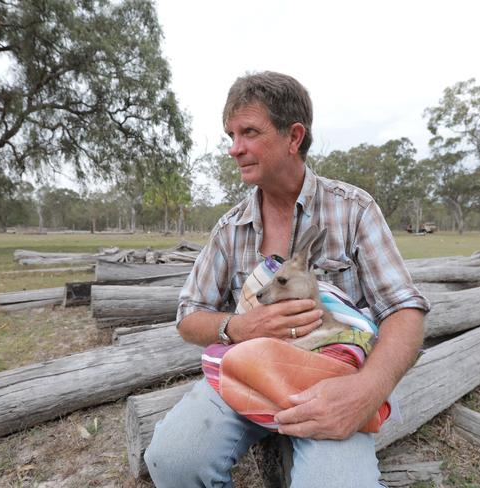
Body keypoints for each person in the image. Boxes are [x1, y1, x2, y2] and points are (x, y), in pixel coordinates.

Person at [145, 71, 430, 488]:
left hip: (329, 381)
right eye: (231, 134)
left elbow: (405, 310)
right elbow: (189, 315)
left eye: (249, 132)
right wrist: (236, 326)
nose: (234, 148)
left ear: (293, 136)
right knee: (173, 461)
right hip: (248, 370)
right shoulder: (230, 228)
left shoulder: (353, 209)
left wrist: (367, 389)